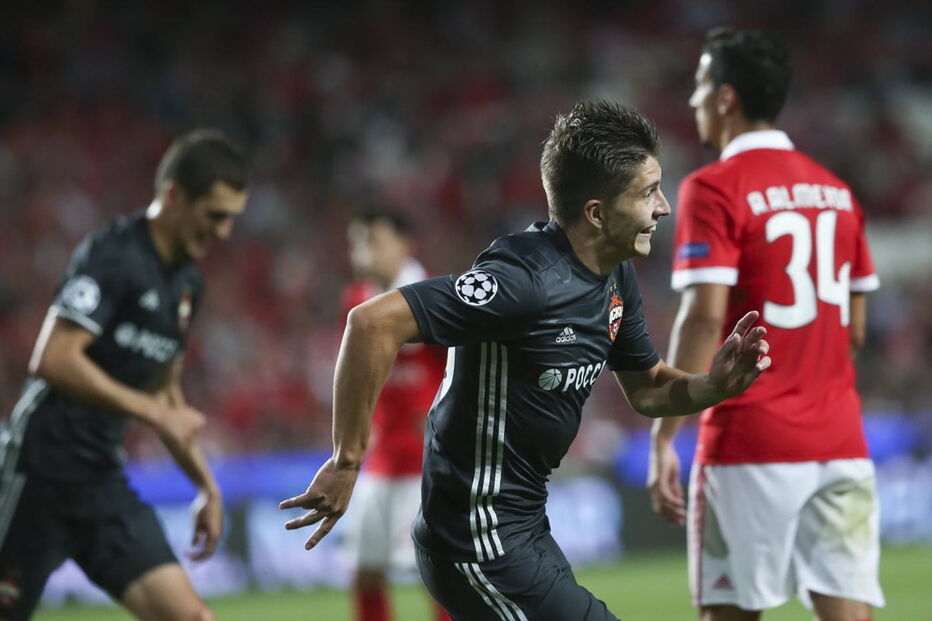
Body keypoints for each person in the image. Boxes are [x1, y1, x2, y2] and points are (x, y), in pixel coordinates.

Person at [281, 100, 771, 620]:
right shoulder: (522, 281)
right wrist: (347, 460)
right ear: (597, 214)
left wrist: (713, 385)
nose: (663, 207)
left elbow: (649, 387)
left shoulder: (615, 274)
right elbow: (371, 323)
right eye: (648, 192)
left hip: (525, 529)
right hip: (476, 541)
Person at [647, 29, 884, 621]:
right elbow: (854, 333)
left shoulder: (712, 188)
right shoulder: (837, 193)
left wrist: (663, 434)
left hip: (749, 443)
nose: (693, 100)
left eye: (700, 85)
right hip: (841, 444)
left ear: (726, 98)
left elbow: (703, 318)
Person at [0, 130, 249, 620]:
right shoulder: (113, 254)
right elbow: (53, 357)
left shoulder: (186, 284)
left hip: (101, 483)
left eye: (232, 219)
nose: (223, 233)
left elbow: (167, 396)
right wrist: (152, 409)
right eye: (215, 215)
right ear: (174, 196)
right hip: (38, 473)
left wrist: (207, 487)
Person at [341, 209, 450, 621]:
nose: (365, 253)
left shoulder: (433, 295)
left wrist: (441, 409)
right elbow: (351, 372)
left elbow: (461, 362)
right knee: (364, 570)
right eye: (358, 243)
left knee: (436, 573)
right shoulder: (356, 301)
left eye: (374, 241)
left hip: (425, 460)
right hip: (378, 459)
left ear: (405, 246)